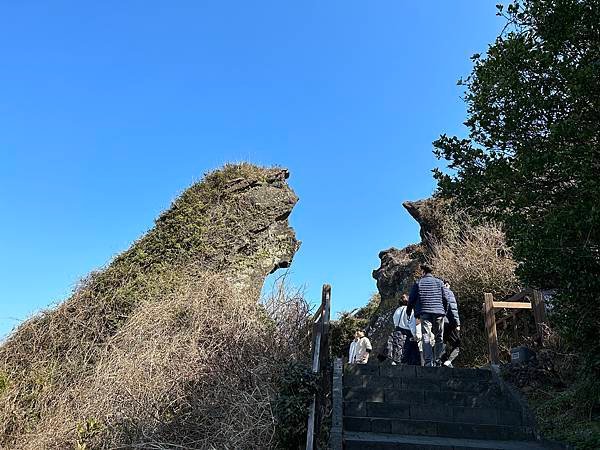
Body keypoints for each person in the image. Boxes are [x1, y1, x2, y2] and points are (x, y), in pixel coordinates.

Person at [407, 264, 449, 367]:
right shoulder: (439, 283)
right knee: (439, 336)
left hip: (424, 312)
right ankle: (438, 360)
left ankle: (428, 362)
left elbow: (411, 299)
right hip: (439, 311)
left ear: (423, 272)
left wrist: (409, 311)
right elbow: (446, 298)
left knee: (426, 335)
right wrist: (445, 311)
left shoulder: (418, 282)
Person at [388, 294, 420, 365]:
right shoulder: (409, 310)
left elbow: (394, 320)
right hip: (407, 334)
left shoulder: (397, 310)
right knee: (411, 356)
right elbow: (412, 324)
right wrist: (415, 335)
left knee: (397, 353)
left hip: (397, 332)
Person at [440, 281, 461, 368]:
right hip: (450, 322)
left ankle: (445, 362)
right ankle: (448, 361)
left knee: (442, 344)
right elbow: (453, 308)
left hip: (439, 322)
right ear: (447, 284)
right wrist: (458, 323)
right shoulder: (449, 292)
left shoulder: (436, 293)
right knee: (457, 344)